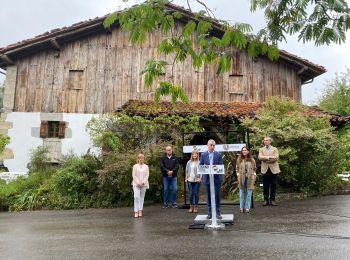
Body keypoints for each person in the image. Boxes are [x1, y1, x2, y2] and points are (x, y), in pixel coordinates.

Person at [199, 139, 223, 219]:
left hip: (216, 178)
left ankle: (218, 212)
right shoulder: (203, 155)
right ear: (207, 145)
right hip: (207, 178)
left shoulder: (218, 154)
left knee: (217, 195)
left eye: (213, 145)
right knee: (209, 195)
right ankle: (209, 212)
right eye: (211, 145)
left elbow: (220, 166)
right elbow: (201, 166)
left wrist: (215, 169)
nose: (212, 147)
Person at [258, 136, 281, 206]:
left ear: (270, 141)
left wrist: (266, 159)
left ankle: (272, 200)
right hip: (265, 169)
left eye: (267, 140)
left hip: (274, 169)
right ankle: (265, 200)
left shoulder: (275, 149)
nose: (265, 142)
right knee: (265, 185)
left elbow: (276, 158)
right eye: (264, 140)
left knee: (274, 184)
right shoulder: (261, 149)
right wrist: (270, 157)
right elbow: (260, 157)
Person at [236, 146, 257, 213]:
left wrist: (254, 175)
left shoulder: (252, 159)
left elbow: (254, 168)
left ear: (248, 151)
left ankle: (247, 207)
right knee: (242, 193)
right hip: (241, 178)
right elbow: (237, 168)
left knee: (248, 193)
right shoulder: (239, 159)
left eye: (245, 150)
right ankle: (241, 207)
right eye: (243, 150)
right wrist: (238, 174)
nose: (244, 151)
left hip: (250, 178)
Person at [132, 153, 149, 218]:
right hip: (136, 184)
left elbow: (147, 175)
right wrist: (138, 182)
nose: (141, 159)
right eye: (140, 158)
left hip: (144, 184)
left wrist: (143, 182)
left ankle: (140, 210)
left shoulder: (146, 166)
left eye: (142, 158)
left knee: (142, 197)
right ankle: (136, 211)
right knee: (136, 196)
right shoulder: (135, 166)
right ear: (138, 159)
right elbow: (134, 175)